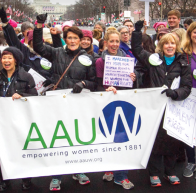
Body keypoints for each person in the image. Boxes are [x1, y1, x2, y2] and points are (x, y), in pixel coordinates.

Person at [33, 13, 96, 191]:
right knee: (58, 140)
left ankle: (79, 170)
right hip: (57, 104)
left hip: (78, 105)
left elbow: (93, 82)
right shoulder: (56, 52)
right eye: (69, 37)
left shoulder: (88, 58)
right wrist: (39, 25)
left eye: (76, 38)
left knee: (78, 139)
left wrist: (83, 83)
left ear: (81, 40)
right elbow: (38, 46)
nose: (73, 40)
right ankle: (56, 176)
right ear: (65, 39)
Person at [132, 20, 192, 187]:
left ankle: (170, 172)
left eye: (173, 43)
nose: (170, 46)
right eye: (166, 43)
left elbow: (187, 87)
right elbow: (137, 49)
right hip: (154, 108)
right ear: (161, 45)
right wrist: (137, 31)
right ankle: (155, 173)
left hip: (174, 108)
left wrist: (176, 93)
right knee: (155, 141)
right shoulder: (152, 59)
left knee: (172, 141)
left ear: (177, 45)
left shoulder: (183, 62)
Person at [0, 47, 38, 191]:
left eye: (9, 58)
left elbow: (35, 97)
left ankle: (26, 179)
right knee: (3, 151)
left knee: (24, 149)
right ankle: (5, 179)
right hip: (3, 121)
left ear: (15, 60)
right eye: (4, 58)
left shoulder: (26, 76)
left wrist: (22, 95)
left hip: (21, 121)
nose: (6, 61)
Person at [95, 29, 136, 190]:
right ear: (106, 42)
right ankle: (109, 168)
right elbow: (98, 84)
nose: (114, 44)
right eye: (111, 41)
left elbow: (133, 85)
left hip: (124, 104)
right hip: (106, 104)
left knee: (122, 139)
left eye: (117, 41)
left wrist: (134, 77)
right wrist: (106, 88)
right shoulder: (100, 62)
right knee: (108, 139)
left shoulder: (127, 59)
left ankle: (121, 176)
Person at [0, 7, 52, 79]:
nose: (36, 43)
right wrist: (5, 23)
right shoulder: (26, 52)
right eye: (33, 41)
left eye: (38, 41)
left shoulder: (49, 52)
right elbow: (14, 41)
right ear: (29, 42)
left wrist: (52, 78)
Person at [182, 21, 196, 178]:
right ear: (190, 34)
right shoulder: (184, 53)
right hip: (188, 95)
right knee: (188, 129)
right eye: (194, 32)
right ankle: (191, 161)